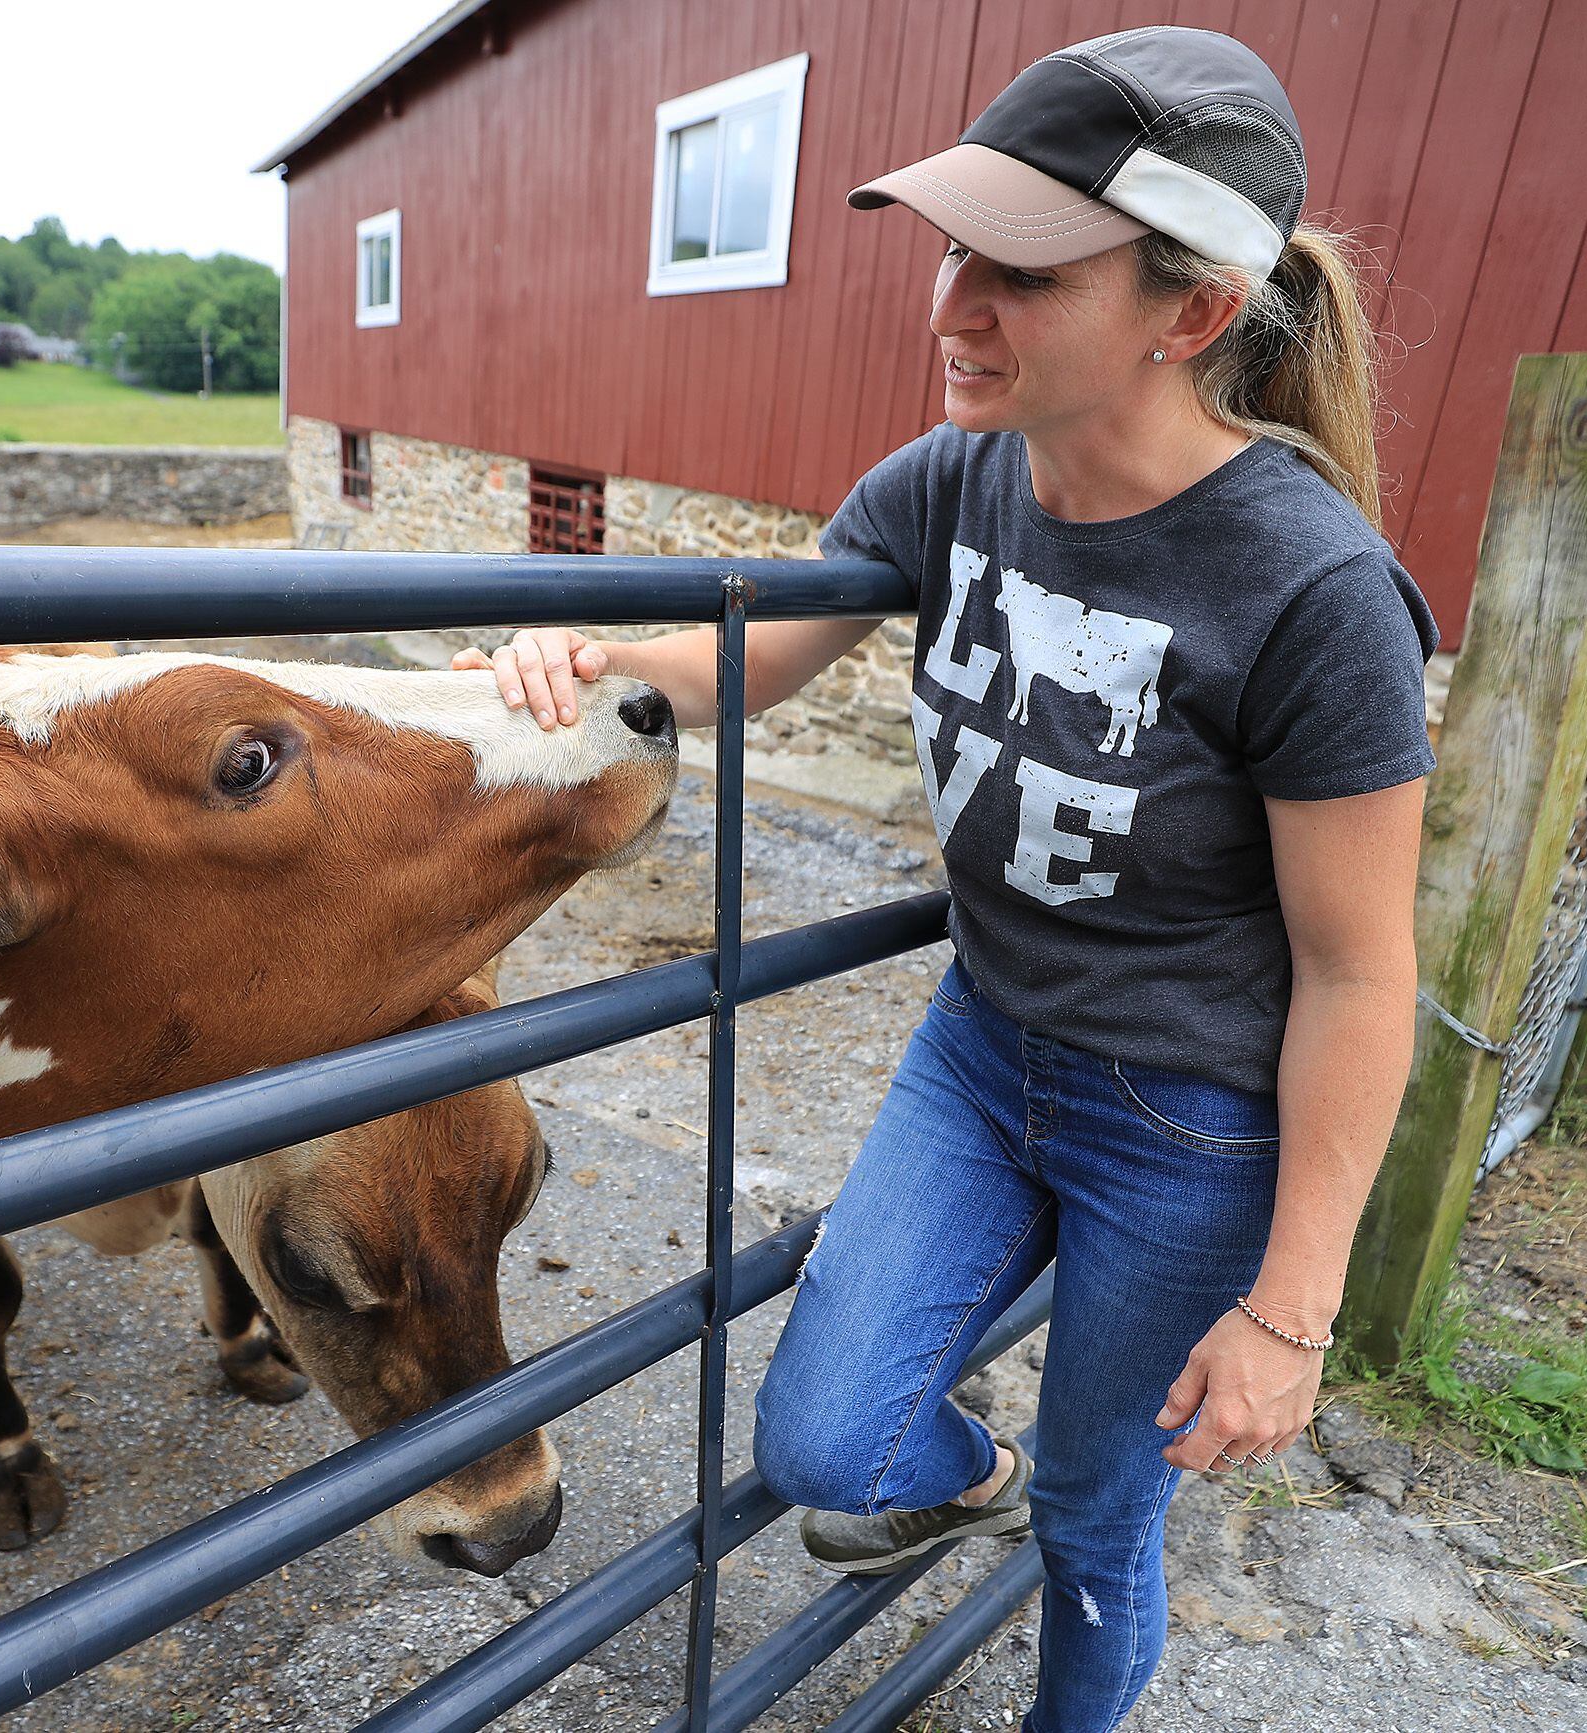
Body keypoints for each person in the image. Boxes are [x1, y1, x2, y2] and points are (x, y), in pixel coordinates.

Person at [458, 26, 1435, 1732]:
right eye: (954, 249)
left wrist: (1293, 1310)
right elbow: (737, 667)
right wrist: (580, 648)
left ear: (1191, 311)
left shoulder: (1317, 594)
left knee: (1095, 1513)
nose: (952, 304)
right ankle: (966, 1462)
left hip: (1191, 1116)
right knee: (828, 1444)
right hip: (986, 1053)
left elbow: (1361, 974)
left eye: (1024, 270)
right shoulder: (952, 480)